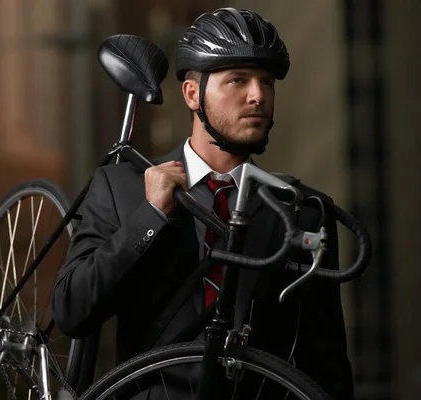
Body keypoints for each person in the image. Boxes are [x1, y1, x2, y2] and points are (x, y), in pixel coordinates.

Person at [53, 7, 354, 399]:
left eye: (267, 82)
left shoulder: (302, 209)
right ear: (192, 94)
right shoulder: (121, 186)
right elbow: (72, 311)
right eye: (237, 80)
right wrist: (151, 214)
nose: (257, 96)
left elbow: (325, 363)